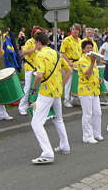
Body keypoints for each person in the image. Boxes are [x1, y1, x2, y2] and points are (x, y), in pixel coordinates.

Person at [30, 32, 71, 164]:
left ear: (38, 42)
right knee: (58, 119)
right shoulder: (56, 53)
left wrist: (33, 88)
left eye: (34, 42)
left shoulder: (40, 55)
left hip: (46, 92)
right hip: (57, 92)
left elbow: (39, 75)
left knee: (36, 123)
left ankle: (47, 153)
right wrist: (61, 84)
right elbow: (69, 70)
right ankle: (65, 146)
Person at [77, 40, 103, 144]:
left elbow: (93, 74)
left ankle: (96, 133)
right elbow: (87, 74)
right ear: (83, 50)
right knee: (87, 114)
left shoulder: (93, 60)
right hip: (85, 90)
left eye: (91, 48)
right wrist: (92, 62)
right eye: (87, 48)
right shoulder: (82, 60)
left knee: (97, 112)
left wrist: (98, 79)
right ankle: (87, 136)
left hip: (94, 90)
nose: (90, 50)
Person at [18, 26, 43, 116]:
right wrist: (34, 49)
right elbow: (23, 53)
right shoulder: (29, 41)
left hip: (39, 68)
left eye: (40, 33)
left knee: (37, 88)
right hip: (30, 67)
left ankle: (34, 105)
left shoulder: (42, 43)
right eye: (37, 33)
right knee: (28, 87)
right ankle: (22, 107)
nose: (38, 34)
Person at [60, 23, 82, 108]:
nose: (74, 31)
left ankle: (74, 99)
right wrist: (69, 62)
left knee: (76, 82)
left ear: (79, 31)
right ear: (71, 30)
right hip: (68, 63)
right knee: (68, 82)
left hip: (77, 64)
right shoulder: (66, 40)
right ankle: (66, 100)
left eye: (76, 29)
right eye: (73, 29)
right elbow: (62, 52)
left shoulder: (80, 41)